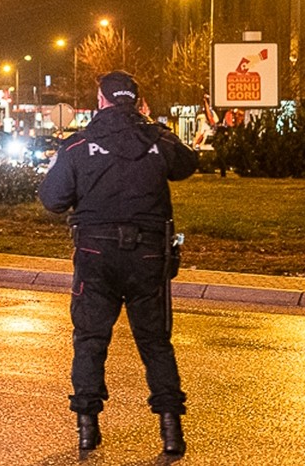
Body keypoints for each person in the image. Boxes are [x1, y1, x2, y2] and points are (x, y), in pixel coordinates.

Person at [38, 71, 198, 456]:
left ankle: (87, 429)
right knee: (156, 343)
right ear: (136, 102)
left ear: (102, 100)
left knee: (90, 340)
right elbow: (187, 164)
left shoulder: (78, 145)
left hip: (96, 255)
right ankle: (171, 431)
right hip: (149, 256)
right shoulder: (158, 140)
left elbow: (52, 199)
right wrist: (151, 125)